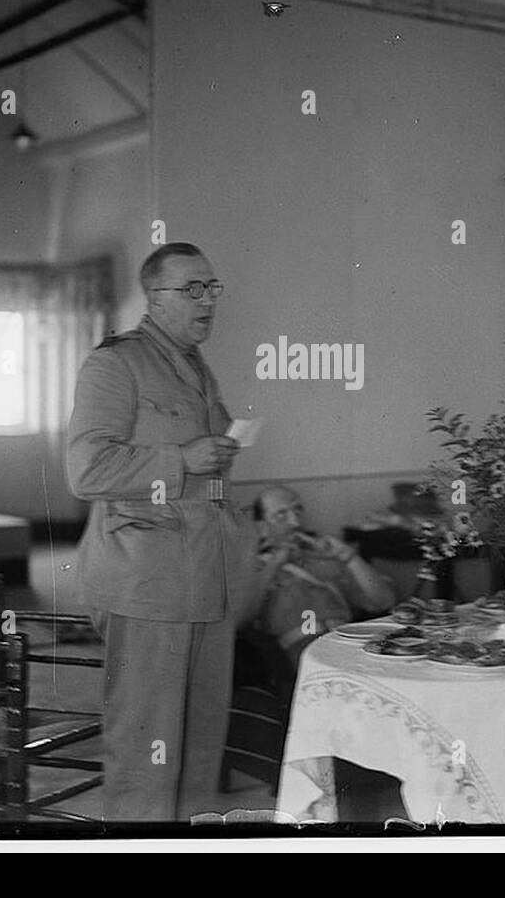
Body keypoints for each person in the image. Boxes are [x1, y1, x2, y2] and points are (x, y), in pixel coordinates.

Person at [66, 242, 253, 822]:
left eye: (212, 287)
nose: (207, 300)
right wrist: (182, 459)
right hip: (147, 587)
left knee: (201, 748)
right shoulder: (115, 364)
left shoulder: (196, 366)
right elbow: (86, 469)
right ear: (154, 297)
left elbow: (205, 470)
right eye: (191, 289)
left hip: (208, 581)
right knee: (144, 757)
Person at [251, 486, 395, 664]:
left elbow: (383, 602)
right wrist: (275, 563)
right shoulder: (256, 566)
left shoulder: (325, 558)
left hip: (349, 640)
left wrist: (348, 557)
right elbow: (243, 617)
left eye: (298, 510)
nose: (295, 522)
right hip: (303, 648)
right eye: (281, 515)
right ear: (262, 527)